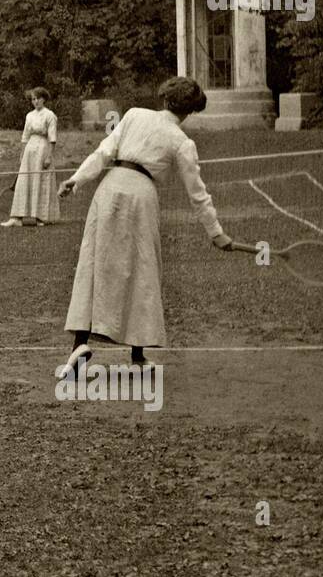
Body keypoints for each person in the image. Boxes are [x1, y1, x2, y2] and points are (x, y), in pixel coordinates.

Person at [56, 76, 232, 371]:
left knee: (93, 261)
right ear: (190, 112)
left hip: (109, 188)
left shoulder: (134, 114)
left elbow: (103, 152)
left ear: (164, 100)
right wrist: (216, 233)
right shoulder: (182, 141)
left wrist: (77, 180)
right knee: (142, 269)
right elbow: (197, 194)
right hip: (141, 197)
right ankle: (136, 358)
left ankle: (81, 345)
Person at [2, 87, 59, 227]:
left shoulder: (50, 115)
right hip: (29, 150)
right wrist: (22, 155)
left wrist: (49, 157)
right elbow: (24, 137)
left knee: (41, 181)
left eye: (38, 98)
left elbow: (53, 138)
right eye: (33, 99)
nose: (35, 101)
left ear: (43, 99)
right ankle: (16, 218)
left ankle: (41, 217)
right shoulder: (29, 115)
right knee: (24, 181)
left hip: (43, 150)